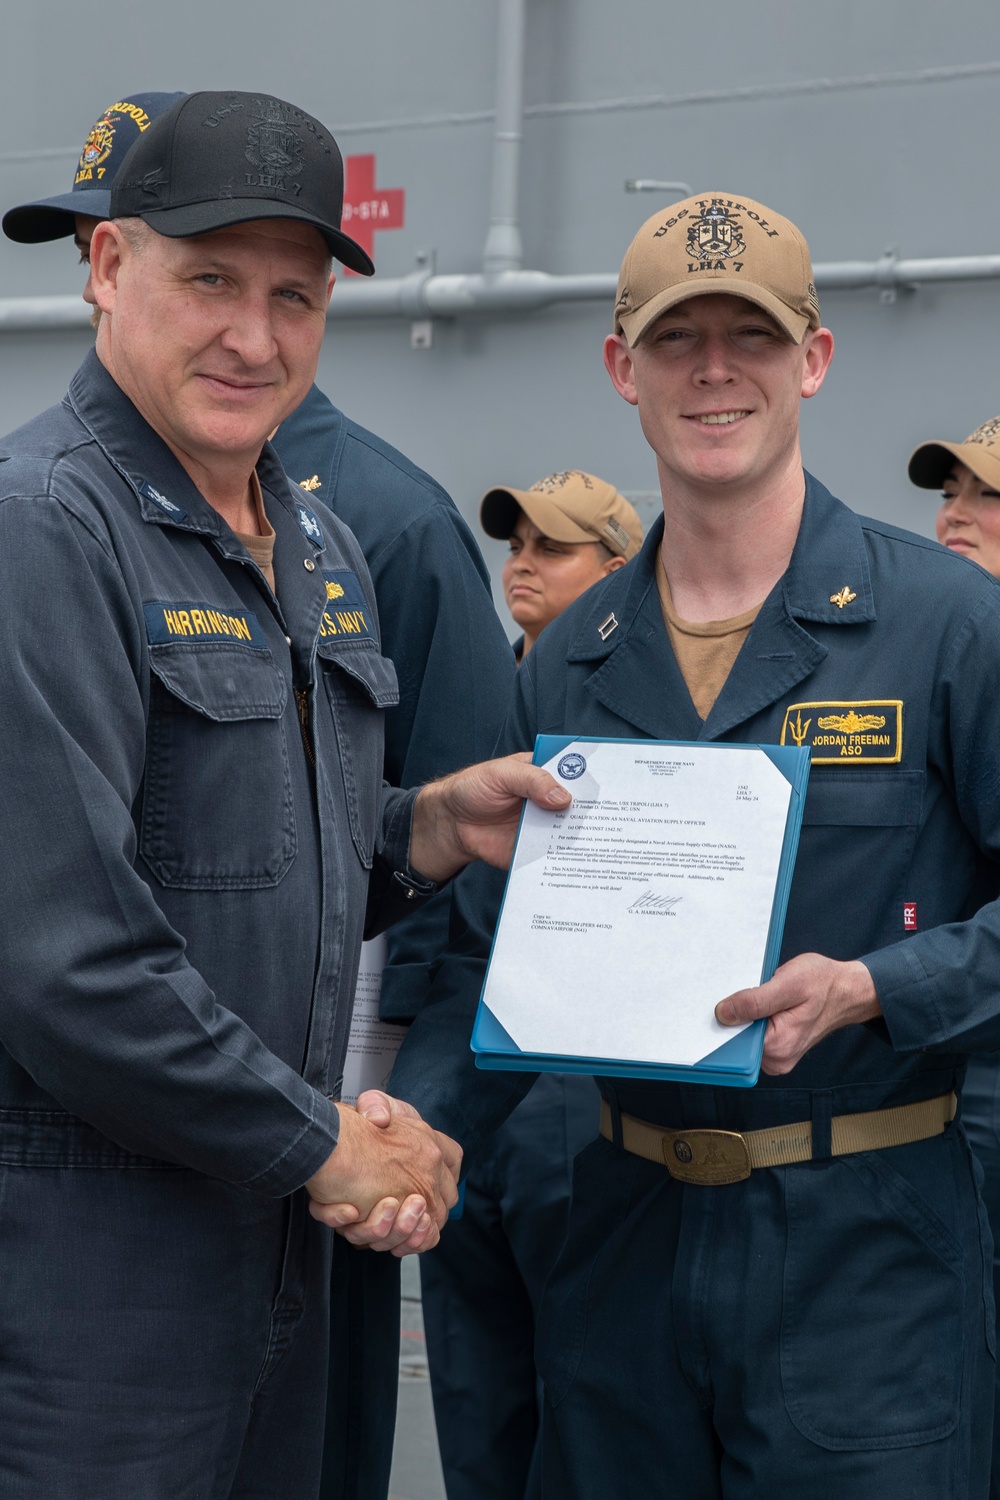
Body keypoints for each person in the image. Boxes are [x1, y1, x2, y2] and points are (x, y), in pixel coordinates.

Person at [0, 89, 569, 1500]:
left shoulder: (313, 543)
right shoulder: (40, 530)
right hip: (89, 1289)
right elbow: (64, 955)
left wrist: (423, 830)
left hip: (275, 1258)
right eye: (209, 282)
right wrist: (326, 1141)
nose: (254, 339)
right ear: (108, 268)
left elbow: (242, 865)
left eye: (293, 298)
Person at [389, 192, 1000, 1496]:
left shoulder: (946, 629)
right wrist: (417, 1127)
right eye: (677, 339)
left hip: (864, 1259)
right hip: (621, 1246)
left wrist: (876, 990)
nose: (715, 369)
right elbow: (491, 967)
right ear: (623, 368)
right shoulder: (571, 662)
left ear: (814, 361)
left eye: (753, 336)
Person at [415, 470, 641, 1500]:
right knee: (474, 1394)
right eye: (514, 542)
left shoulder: (640, 707)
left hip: (572, 1092)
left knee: (580, 1401)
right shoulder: (485, 690)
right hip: (466, 1065)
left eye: (553, 546)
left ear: (617, 567)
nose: (522, 562)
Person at [909, 415, 1000, 1499]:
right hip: (943, 1096)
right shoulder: (932, 665)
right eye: (950, 494)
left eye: (988, 500)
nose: (957, 516)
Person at [481, 468, 643, 661]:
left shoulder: (633, 687)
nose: (520, 564)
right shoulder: (480, 682)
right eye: (515, 548)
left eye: (550, 549)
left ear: (612, 574)